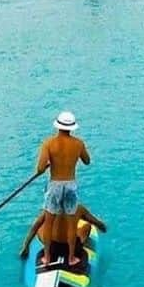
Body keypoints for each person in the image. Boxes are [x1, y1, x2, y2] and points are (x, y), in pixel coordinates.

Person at [26, 110, 97, 268]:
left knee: (49, 222)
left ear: (57, 126)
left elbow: (40, 168)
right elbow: (87, 161)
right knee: (72, 224)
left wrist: (49, 164)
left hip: (55, 185)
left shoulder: (48, 143)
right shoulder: (78, 143)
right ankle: (71, 258)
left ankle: (47, 256)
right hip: (70, 185)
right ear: (72, 128)